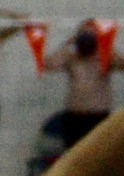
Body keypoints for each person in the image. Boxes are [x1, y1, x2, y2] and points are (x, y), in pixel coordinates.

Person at [39, 22, 112, 158]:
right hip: (74, 116)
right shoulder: (71, 58)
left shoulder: (104, 57)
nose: (87, 38)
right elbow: (47, 65)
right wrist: (68, 44)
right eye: (83, 34)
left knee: (99, 158)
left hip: (98, 115)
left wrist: (105, 43)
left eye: (91, 34)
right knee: (73, 158)